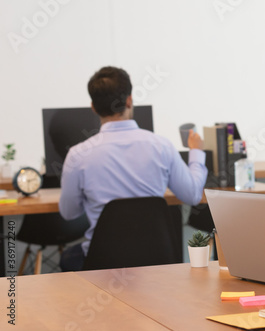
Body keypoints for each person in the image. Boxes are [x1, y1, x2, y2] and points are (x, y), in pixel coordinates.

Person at [58, 66, 208, 271]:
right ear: (129, 100)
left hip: (102, 262)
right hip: (157, 259)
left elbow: (69, 212)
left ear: (93, 107)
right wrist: (196, 153)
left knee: (70, 257)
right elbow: (191, 194)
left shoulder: (78, 155)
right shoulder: (161, 146)